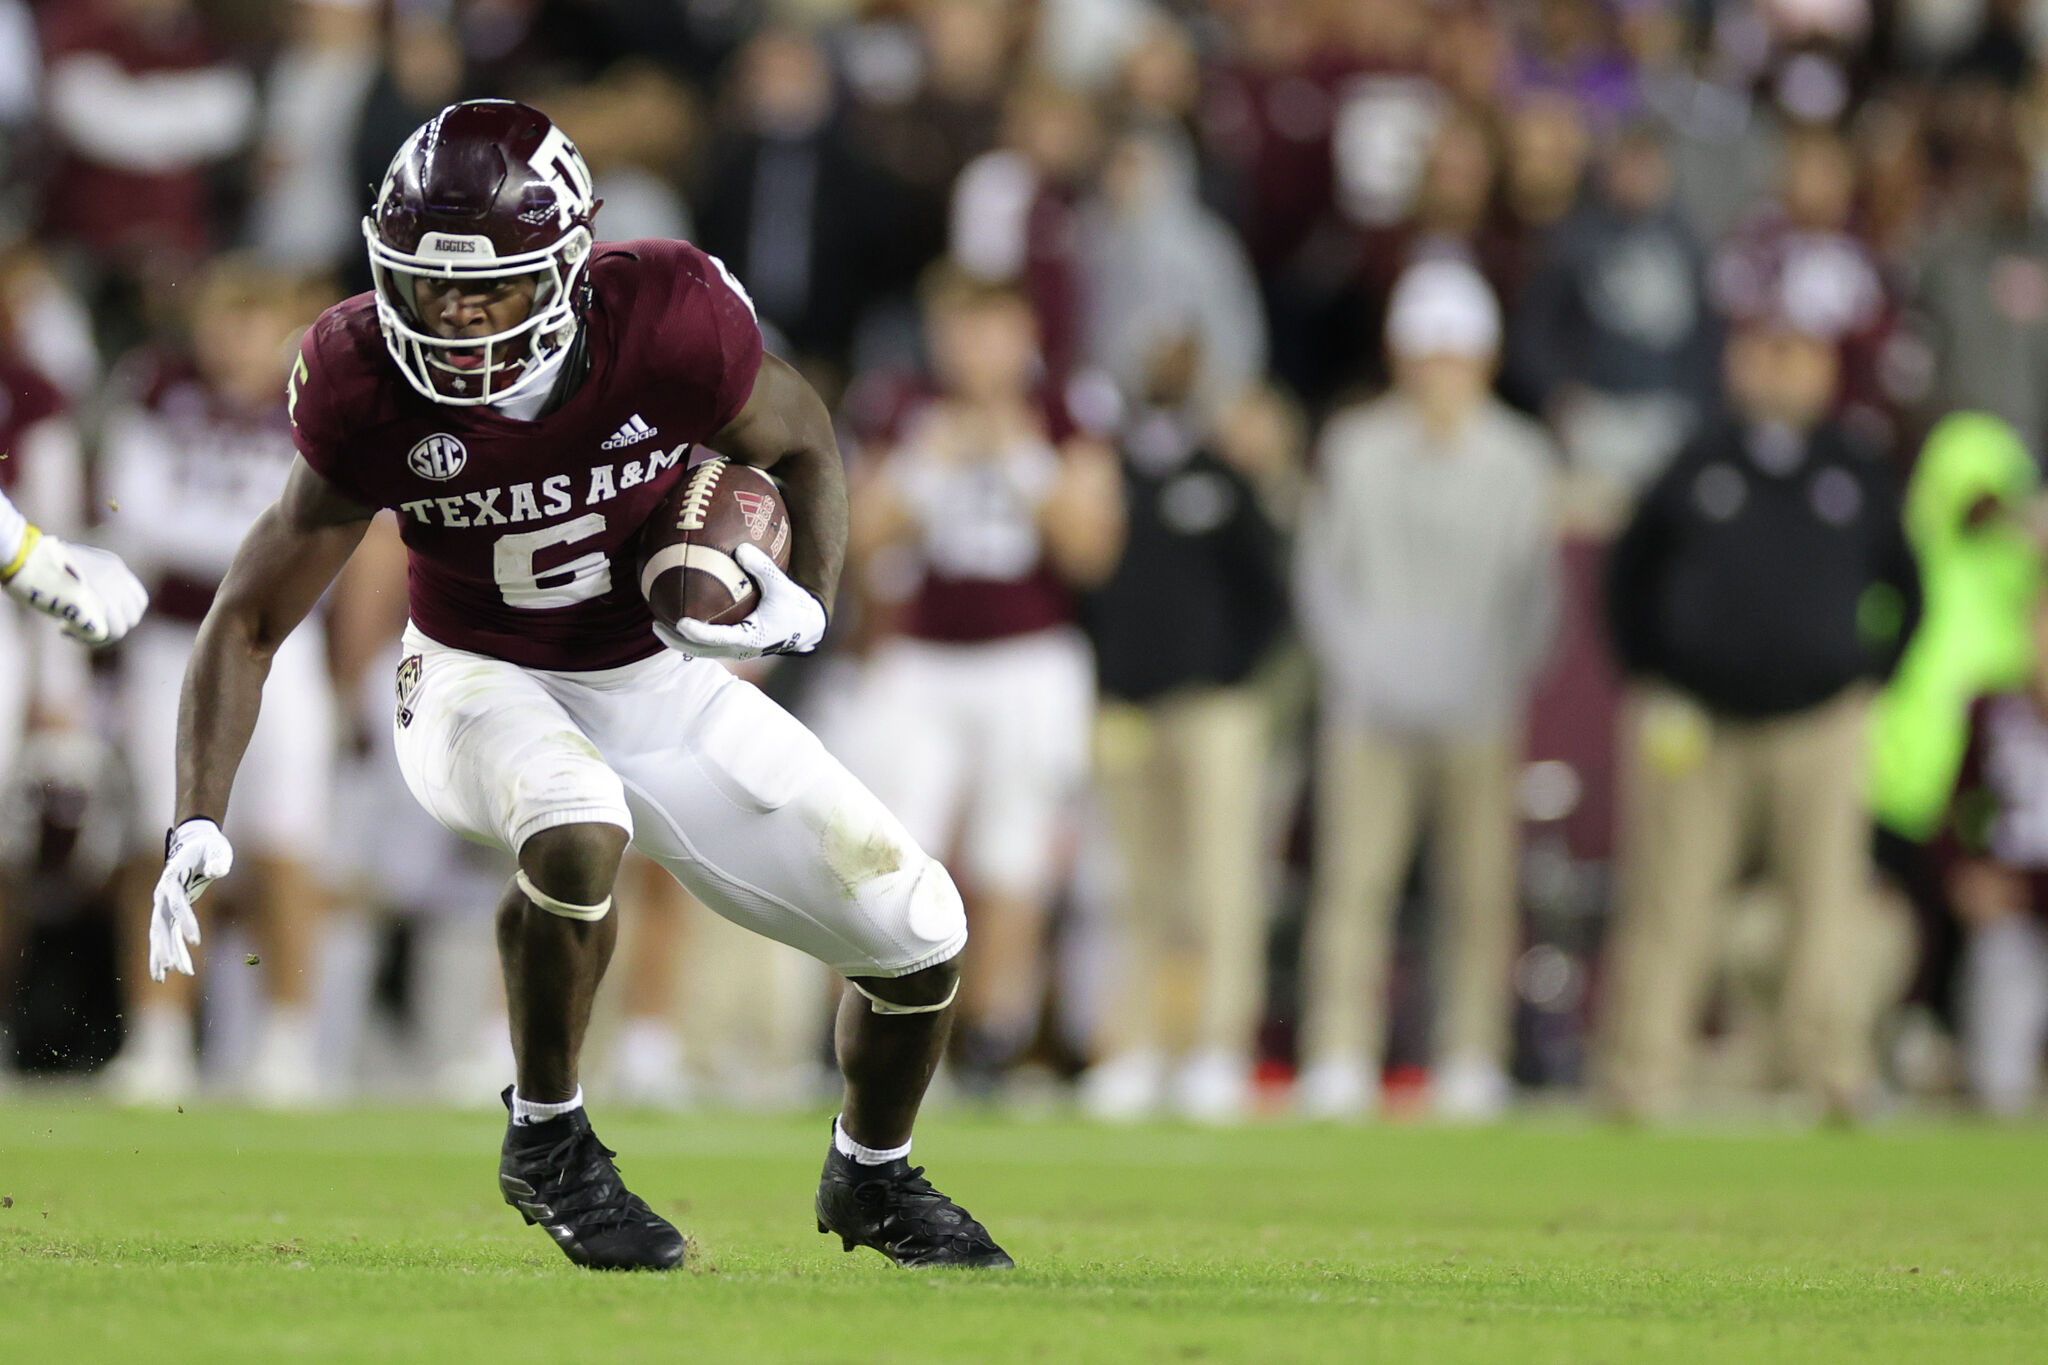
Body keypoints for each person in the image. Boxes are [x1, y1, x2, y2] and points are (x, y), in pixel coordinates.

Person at [145, 100, 1010, 1272]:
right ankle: (547, 1138)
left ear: (563, 265)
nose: (453, 314)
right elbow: (249, 613)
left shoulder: (668, 319)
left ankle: (872, 1175)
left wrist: (807, 592)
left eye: (488, 285)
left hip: (660, 684)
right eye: (426, 283)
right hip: (472, 676)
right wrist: (197, 809)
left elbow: (802, 439)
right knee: (574, 820)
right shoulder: (358, 379)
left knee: (920, 932)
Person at [1600, 297, 1921, 1121]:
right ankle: (1642, 1068)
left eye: (1798, 352)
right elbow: (1626, 579)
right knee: (1673, 896)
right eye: (1766, 350)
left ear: (1824, 366)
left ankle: (1828, 1069)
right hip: (1703, 722)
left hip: (1818, 719)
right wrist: (1657, 675)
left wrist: (1864, 677)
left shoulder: (1854, 467)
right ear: (1738, 359)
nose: (1780, 368)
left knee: (1826, 899)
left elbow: (1908, 588)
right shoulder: (1696, 461)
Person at [1292, 259, 1562, 1121]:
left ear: (1483, 357)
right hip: (1370, 712)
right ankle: (1339, 1048)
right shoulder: (1355, 446)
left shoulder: (1521, 457)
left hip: (1478, 710)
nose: (1441, 370)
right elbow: (1321, 576)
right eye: (1427, 352)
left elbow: (1537, 592)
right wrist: (1357, 670)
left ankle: (1472, 1051)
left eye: (1457, 353)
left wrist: (1499, 680)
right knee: (1353, 886)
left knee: (1478, 891)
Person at [842, 266, 1122, 1091]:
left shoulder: (1065, 412)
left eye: (993, 328)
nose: (976, 348)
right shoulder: (903, 406)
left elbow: (1092, 549)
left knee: (1014, 853)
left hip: (1031, 655)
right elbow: (856, 542)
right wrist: (924, 466)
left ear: (1026, 334)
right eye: (961, 329)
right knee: (887, 855)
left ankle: (996, 1037)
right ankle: (878, 1037)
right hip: (923, 655)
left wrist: (1023, 460)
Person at [99, 256, 337, 1107]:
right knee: (156, 841)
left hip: (286, 642)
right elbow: (135, 516)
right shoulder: (160, 387)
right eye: (221, 318)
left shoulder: (313, 402)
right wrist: (247, 550)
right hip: (175, 641)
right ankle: (159, 1036)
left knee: (285, 842)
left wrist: (237, 552)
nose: (232, 339)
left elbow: (320, 533)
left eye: (251, 319)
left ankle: (289, 1041)